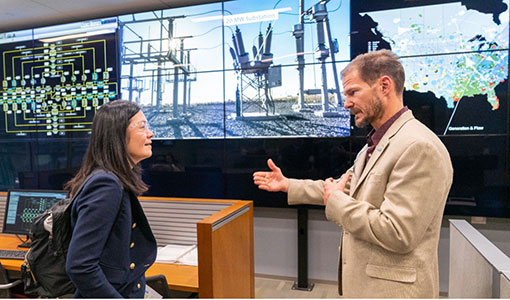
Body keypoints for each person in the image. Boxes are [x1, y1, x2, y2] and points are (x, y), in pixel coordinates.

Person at [253, 49, 453, 298]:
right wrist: (288, 185)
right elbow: (342, 188)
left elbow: (398, 233)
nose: (346, 103)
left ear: (384, 85)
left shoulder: (418, 147)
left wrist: (337, 203)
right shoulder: (377, 144)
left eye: (353, 92)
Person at [64, 100, 157, 298]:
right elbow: (80, 266)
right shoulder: (106, 185)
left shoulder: (112, 179)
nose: (151, 133)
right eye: (142, 127)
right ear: (118, 134)